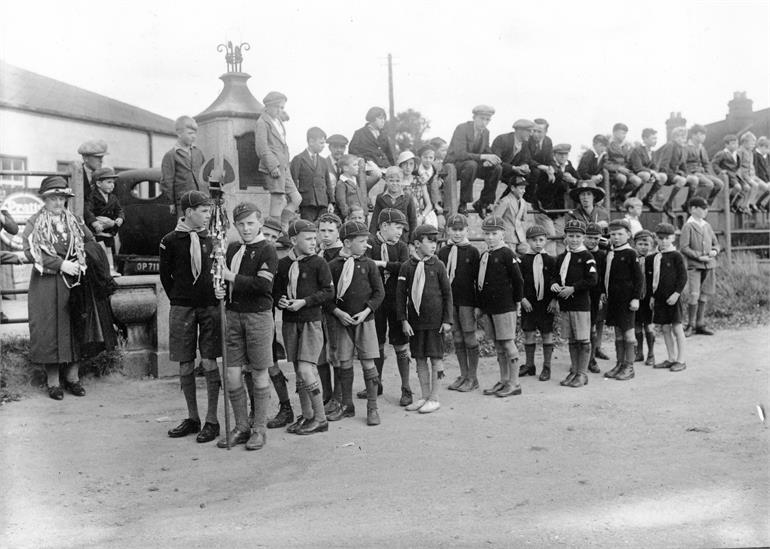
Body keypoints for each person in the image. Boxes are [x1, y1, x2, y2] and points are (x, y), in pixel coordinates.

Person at [213, 202, 278, 449]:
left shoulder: (267, 250)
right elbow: (225, 281)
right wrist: (221, 288)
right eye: (241, 224)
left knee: (259, 371)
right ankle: (241, 425)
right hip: (233, 315)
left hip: (258, 316)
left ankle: (259, 429)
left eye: (250, 223)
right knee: (231, 373)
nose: (246, 228)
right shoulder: (232, 249)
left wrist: (231, 278)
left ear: (260, 222)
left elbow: (263, 286)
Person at [22, 176, 94, 400]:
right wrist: (61, 264)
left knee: (76, 326)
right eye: (53, 198)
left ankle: (73, 377)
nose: (58, 203)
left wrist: (82, 261)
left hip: (74, 283)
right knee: (49, 329)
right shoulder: (35, 222)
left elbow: (90, 241)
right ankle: (53, 382)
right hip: (47, 284)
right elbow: (30, 251)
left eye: (61, 198)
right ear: (44, 200)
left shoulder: (74, 220)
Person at [159, 190, 222, 443]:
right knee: (185, 362)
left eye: (209, 211)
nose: (208, 215)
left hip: (210, 306)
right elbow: (166, 276)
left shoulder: (213, 239)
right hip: (182, 307)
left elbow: (219, 271)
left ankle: (212, 419)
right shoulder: (170, 240)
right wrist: (179, 297)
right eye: (204, 211)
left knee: (209, 362)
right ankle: (193, 417)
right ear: (188, 212)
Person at [274, 219, 334, 435]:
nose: (313, 242)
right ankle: (307, 415)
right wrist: (280, 301)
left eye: (314, 238)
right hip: (291, 324)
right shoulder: (283, 265)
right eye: (308, 238)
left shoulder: (319, 263)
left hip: (311, 322)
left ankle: (320, 418)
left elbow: (328, 292)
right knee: (300, 372)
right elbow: (277, 291)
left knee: (306, 369)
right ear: (293, 240)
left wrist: (304, 302)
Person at [326, 221, 385, 425]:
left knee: (368, 362)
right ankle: (347, 405)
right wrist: (338, 312)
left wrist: (367, 310)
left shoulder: (368, 265)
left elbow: (379, 293)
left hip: (365, 321)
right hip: (342, 322)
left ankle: (372, 407)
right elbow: (327, 296)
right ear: (347, 242)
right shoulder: (333, 266)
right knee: (344, 362)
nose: (366, 245)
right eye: (362, 241)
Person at [397, 224, 453, 413]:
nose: (434, 246)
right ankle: (424, 395)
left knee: (436, 358)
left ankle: (435, 398)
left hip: (435, 323)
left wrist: (447, 320)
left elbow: (447, 294)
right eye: (430, 241)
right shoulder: (407, 267)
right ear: (417, 243)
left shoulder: (438, 265)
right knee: (420, 358)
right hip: (416, 323)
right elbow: (400, 296)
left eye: (436, 242)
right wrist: (404, 320)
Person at [365, 209, 412, 406]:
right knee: (377, 343)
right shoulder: (370, 243)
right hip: (376, 300)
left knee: (400, 343)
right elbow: (365, 264)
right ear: (384, 226)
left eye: (402, 228)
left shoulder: (401, 246)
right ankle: (377, 383)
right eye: (397, 227)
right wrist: (383, 265)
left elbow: (404, 266)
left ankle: (406, 387)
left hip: (395, 300)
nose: (400, 232)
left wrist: (382, 263)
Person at [478, 215, 524, 397]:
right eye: (487, 234)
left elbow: (518, 280)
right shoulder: (485, 255)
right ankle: (504, 380)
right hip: (490, 306)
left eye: (494, 233)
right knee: (498, 345)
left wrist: (518, 302)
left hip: (505, 306)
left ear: (502, 234)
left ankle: (515, 383)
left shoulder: (507, 254)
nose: (490, 237)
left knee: (507, 342)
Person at [258, 217, 296, 430]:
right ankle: (255, 409)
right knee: (248, 367)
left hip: (265, 317)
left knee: (270, 363)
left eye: (274, 237)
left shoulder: (276, 261)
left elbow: (279, 290)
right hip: (242, 314)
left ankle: (286, 407)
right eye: (266, 235)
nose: (270, 240)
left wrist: (280, 299)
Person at [551, 219, 598, 388]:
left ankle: (582, 373)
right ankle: (574, 370)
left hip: (580, 304)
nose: (574, 239)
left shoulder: (587, 257)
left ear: (583, 237)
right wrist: (554, 284)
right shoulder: (562, 257)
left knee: (583, 339)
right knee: (571, 339)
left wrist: (573, 288)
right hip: (566, 304)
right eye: (571, 236)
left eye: (578, 236)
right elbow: (556, 276)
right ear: (565, 236)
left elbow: (592, 280)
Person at [437, 213, 480, 392]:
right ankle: (463, 374)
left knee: (469, 337)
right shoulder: (443, 251)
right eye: (453, 230)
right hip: (450, 301)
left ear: (466, 230)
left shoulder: (472, 251)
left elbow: (478, 280)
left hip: (467, 301)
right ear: (447, 230)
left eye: (460, 230)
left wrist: (478, 305)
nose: (457, 233)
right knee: (457, 337)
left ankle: (473, 377)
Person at [601, 219, 644, 382]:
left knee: (628, 333)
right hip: (614, 300)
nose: (616, 237)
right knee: (618, 333)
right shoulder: (611, 253)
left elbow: (639, 279)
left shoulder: (631, 254)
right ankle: (619, 363)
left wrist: (635, 298)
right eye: (613, 234)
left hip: (627, 300)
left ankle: (629, 366)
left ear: (628, 235)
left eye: (620, 234)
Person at [255, 91, 301, 230]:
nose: (280, 110)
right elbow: (262, 148)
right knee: (278, 199)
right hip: (274, 168)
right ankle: (273, 232)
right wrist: (272, 166)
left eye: (282, 107)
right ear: (268, 106)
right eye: (277, 107)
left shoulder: (278, 121)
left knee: (296, 198)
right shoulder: (262, 122)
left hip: (284, 167)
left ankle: (282, 224)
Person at [445, 105, 502, 217]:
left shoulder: (486, 132)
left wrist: (491, 159)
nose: (484, 122)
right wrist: (483, 157)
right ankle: (463, 203)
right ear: (474, 117)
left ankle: (483, 202)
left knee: (497, 168)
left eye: (487, 120)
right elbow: (460, 154)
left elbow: (486, 150)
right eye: (482, 118)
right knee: (472, 165)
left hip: (472, 164)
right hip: (454, 163)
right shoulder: (462, 128)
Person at [646, 222, 688, 372]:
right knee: (664, 328)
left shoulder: (676, 256)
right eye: (660, 238)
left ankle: (681, 360)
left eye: (667, 238)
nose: (663, 241)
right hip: (660, 298)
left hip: (673, 298)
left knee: (677, 327)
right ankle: (671, 358)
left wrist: (677, 293)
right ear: (656, 238)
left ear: (673, 238)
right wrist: (652, 297)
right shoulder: (653, 258)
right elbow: (651, 280)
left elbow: (683, 277)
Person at [518, 225, 558, 381]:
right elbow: (518, 282)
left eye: (541, 240)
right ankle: (529, 365)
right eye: (534, 240)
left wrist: (555, 300)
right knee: (529, 333)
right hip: (529, 302)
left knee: (547, 334)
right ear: (528, 241)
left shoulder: (551, 260)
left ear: (546, 241)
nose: (538, 243)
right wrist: (522, 298)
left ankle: (547, 367)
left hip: (546, 304)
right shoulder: (522, 261)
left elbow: (556, 280)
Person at [315, 212, 344, 413]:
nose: (326, 235)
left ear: (338, 233)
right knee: (320, 355)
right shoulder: (318, 253)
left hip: (335, 312)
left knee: (336, 354)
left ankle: (339, 397)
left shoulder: (342, 254)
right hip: (318, 311)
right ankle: (326, 394)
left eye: (330, 231)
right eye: (322, 230)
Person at [679, 197, 719, 337]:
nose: (705, 211)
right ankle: (691, 324)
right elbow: (684, 247)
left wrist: (715, 250)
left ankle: (700, 324)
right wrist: (698, 256)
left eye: (706, 208)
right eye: (702, 208)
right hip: (694, 266)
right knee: (694, 295)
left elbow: (716, 243)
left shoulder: (706, 225)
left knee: (704, 294)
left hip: (709, 265)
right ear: (693, 209)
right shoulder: (688, 226)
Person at [161, 116, 206, 217]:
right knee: (186, 229)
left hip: (201, 200)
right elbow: (167, 181)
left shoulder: (198, 152)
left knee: (202, 229)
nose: (193, 136)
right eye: (190, 133)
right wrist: (171, 203)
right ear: (179, 133)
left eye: (195, 133)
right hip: (183, 202)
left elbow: (205, 175)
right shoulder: (171, 155)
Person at [534, 143, 574, 254]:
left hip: (559, 209)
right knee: (550, 238)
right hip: (545, 208)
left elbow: (577, 181)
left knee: (561, 239)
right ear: (554, 155)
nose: (563, 157)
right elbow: (543, 190)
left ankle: (560, 267)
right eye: (560, 154)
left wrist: (573, 180)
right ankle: (550, 267)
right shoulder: (548, 167)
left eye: (565, 154)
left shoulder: (569, 166)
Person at [84, 167, 124, 276]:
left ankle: (111, 269)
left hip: (109, 229)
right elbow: (88, 211)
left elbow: (119, 210)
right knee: (100, 248)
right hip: (98, 229)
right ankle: (103, 270)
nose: (112, 185)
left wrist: (120, 218)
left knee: (109, 249)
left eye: (113, 183)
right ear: (98, 183)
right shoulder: (92, 197)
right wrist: (94, 223)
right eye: (109, 182)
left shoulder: (113, 198)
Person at [291, 127, 335, 222]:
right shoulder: (298, 159)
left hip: (323, 203)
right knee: (308, 228)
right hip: (306, 203)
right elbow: (292, 183)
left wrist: (331, 202)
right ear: (311, 141)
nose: (323, 146)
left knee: (321, 228)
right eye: (321, 143)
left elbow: (328, 184)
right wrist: (294, 203)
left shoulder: (323, 161)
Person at [370, 166, 418, 244]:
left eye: (397, 181)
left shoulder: (407, 197)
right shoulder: (380, 197)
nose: (394, 183)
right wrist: (371, 239)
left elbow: (413, 220)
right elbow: (375, 220)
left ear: (402, 181)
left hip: (403, 236)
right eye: (391, 180)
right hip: (385, 236)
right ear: (386, 180)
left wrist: (412, 241)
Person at [584, 222, 609, 373]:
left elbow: (604, 277)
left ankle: (592, 357)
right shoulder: (579, 253)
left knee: (595, 324)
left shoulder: (602, 255)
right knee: (582, 327)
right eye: (589, 237)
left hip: (596, 294)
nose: (592, 241)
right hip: (581, 293)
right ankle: (582, 357)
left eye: (595, 238)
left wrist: (601, 295)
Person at [491, 119, 534, 205]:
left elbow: (526, 158)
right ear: (519, 130)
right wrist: (514, 168)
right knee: (498, 169)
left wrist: (524, 166)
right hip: (495, 170)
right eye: (529, 131)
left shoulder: (524, 143)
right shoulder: (502, 139)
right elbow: (496, 160)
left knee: (529, 174)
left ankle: (504, 200)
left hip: (509, 172)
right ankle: (489, 202)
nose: (531, 134)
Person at [349, 107, 396, 178]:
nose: (383, 121)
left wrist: (394, 167)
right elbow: (352, 151)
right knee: (377, 174)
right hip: (368, 165)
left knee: (396, 174)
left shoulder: (383, 135)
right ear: (372, 118)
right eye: (380, 118)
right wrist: (366, 160)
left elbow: (389, 155)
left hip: (384, 165)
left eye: (384, 119)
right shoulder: (360, 133)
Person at [684, 125, 724, 207]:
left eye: (704, 135)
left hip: (702, 173)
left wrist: (708, 174)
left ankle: (706, 204)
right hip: (692, 172)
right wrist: (688, 174)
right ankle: (693, 204)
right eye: (701, 134)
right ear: (694, 135)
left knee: (719, 184)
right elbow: (682, 163)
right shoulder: (686, 147)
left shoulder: (701, 147)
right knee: (709, 184)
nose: (704, 137)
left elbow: (706, 163)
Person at [630, 128, 668, 212]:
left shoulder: (653, 152)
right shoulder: (637, 150)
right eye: (653, 138)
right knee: (646, 175)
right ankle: (632, 195)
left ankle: (648, 198)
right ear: (645, 139)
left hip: (646, 175)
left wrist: (654, 173)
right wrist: (651, 172)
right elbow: (637, 167)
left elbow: (655, 167)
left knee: (663, 177)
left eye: (656, 138)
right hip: (634, 175)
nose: (655, 140)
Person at [605, 123, 642, 207]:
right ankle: (616, 196)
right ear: (614, 133)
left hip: (625, 171)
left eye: (625, 133)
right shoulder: (608, 146)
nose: (624, 136)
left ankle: (618, 195)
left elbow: (628, 161)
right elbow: (605, 162)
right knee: (622, 178)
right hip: (613, 172)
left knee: (638, 181)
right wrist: (618, 168)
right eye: (622, 133)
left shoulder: (626, 146)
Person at [656, 126, 691, 215]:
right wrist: (665, 173)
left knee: (694, 180)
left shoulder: (682, 148)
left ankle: (687, 204)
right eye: (681, 137)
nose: (684, 139)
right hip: (667, 173)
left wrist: (685, 173)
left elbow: (683, 164)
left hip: (674, 173)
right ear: (675, 137)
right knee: (682, 180)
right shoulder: (670, 145)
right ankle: (668, 204)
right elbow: (665, 161)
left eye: (685, 137)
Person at [633, 229, 656, 365]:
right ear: (635, 244)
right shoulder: (633, 258)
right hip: (636, 297)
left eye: (646, 244)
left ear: (652, 245)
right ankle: (639, 352)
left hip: (649, 297)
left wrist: (654, 296)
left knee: (648, 326)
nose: (643, 247)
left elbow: (657, 280)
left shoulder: (654, 259)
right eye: (640, 244)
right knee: (636, 325)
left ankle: (651, 353)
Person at [712, 134, 750, 213]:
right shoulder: (722, 153)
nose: (735, 146)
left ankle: (735, 203)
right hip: (728, 174)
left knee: (746, 188)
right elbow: (714, 163)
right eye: (733, 144)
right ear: (726, 145)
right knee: (738, 187)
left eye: (736, 144)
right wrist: (720, 171)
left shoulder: (737, 154)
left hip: (735, 175)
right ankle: (729, 203)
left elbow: (738, 165)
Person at [71, 139, 109, 214]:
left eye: (102, 158)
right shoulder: (73, 176)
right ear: (86, 158)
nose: (101, 161)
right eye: (98, 158)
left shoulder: (105, 175)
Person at [492, 176, 529, 252]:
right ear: (512, 188)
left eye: (524, 188)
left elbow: (523, 220)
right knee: (509, 259)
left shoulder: (523, 202)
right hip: (507, 238)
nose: (524, 191)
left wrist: (523, 237)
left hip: (520, 239)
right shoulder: (505, 201)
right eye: (521, 188)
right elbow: (495, 220)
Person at [737, 131, 770, 212]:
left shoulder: (751, 153)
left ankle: (754, 203)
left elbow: (752, 166)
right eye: (752, 143)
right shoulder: (740, 152)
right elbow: (738, 166)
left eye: (754, 143)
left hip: (752, 175)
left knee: (766, 187)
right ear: (745, 142)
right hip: (745, 175)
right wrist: (741, 176)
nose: (753, 145)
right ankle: (747, 205)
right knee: (754, 186)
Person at [416, 145, 445, 229]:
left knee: (434, 223)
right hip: (419, 196)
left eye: (430, 158)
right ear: (421, 158)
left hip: (431, 197)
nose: (428, 160)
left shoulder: (434, 170)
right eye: (425, 157)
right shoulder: (417, 171)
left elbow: (435, 187)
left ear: (433, 159)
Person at [335, 154, 368, 221]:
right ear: (345, 168)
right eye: (355, 165)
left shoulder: (355, 181)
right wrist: (347, 216)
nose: (357, 167)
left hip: (360, 216)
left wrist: (364, 213)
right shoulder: (342, 184)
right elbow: (342, 204)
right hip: (352, 218)